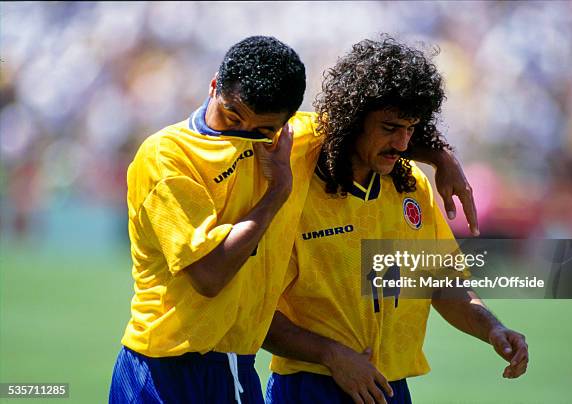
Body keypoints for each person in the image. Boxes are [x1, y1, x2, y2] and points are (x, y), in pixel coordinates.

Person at [110, 35, 479, 403]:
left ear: (287, 123)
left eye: (262, 129)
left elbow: (370, 127)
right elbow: (209, 276)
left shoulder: (287, 143)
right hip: (161, 365)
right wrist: (276, 194)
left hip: (236, 365)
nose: (241, 134)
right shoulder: (168, 156)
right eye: (231, 116)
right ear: (213, 86)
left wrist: (441, 156)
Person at [264, 36, 528, 404]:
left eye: (411, 129)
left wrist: (493, 328)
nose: (403, 144)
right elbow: (251, 308)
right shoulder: (292, 174)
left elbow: (439, 283)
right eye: (389, 128)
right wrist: (331, 355)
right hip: (309, 387)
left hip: (390, 389)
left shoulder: (410, 185)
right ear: (352, 119)